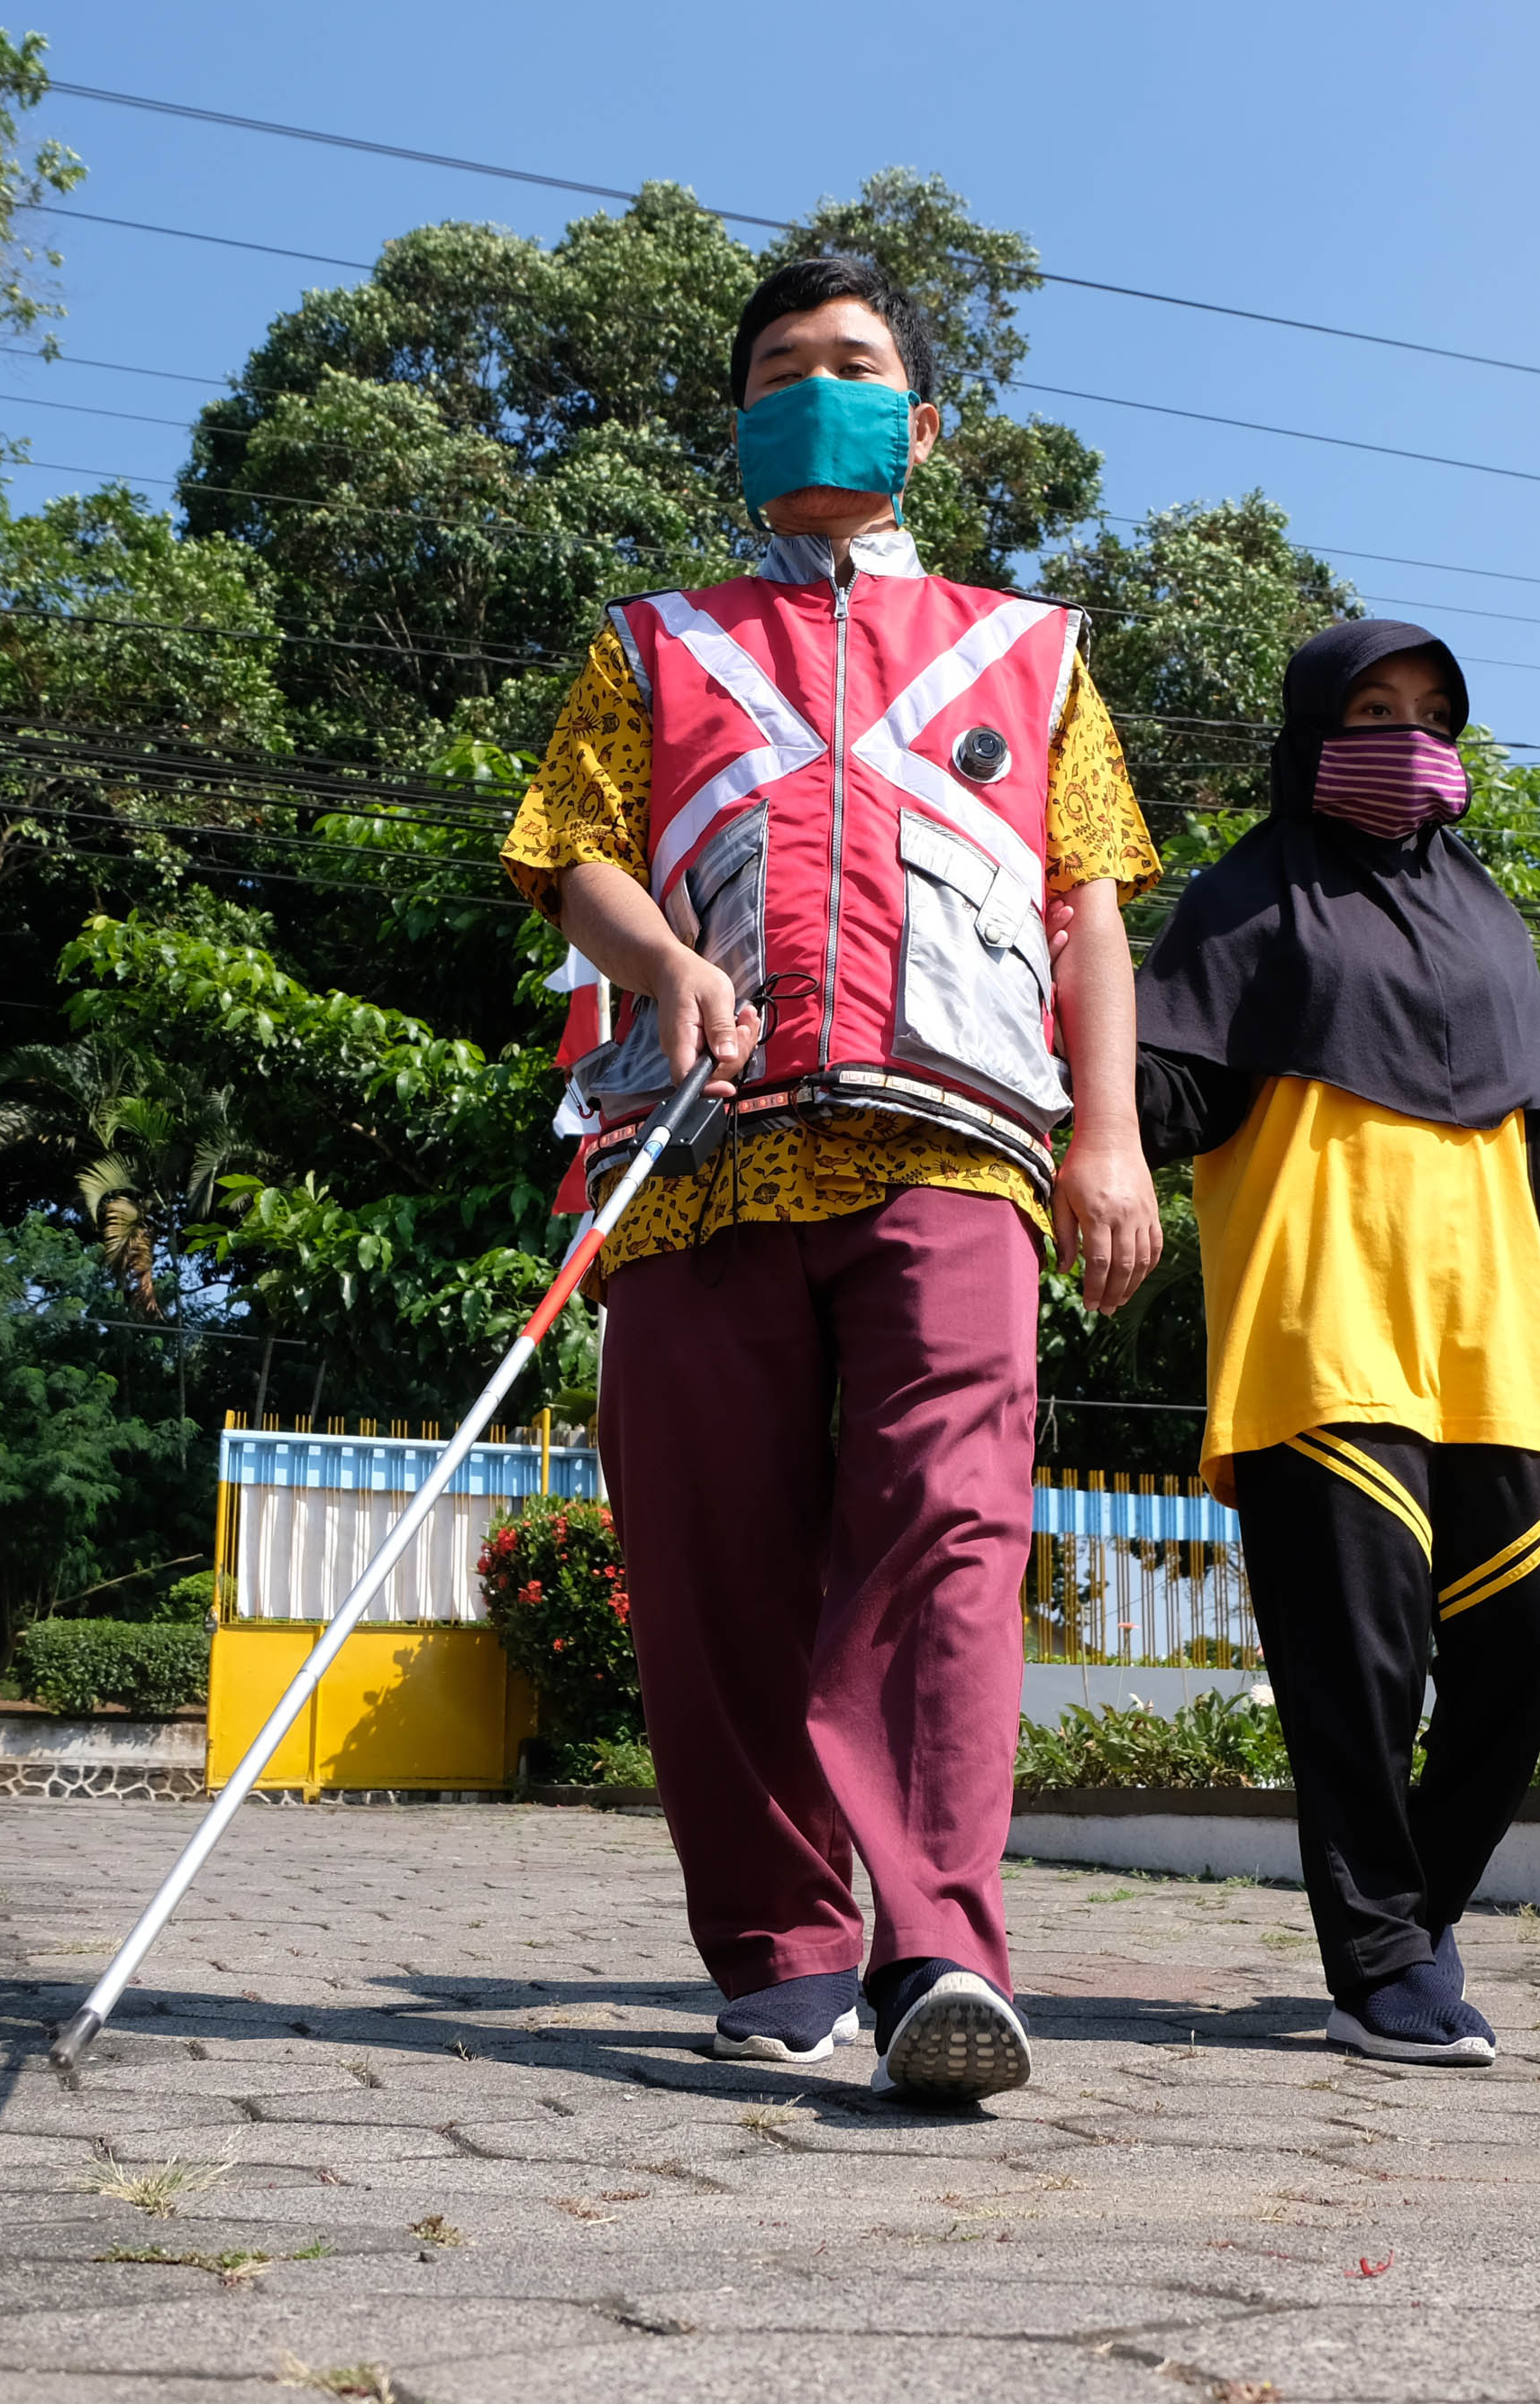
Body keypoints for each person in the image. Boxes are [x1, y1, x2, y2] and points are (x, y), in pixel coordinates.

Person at [499, 256, 1162, 2105]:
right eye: (780, 368)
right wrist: (662, 965)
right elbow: (572, 860)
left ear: (920, 421)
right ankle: (779, 1935)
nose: (816, 388)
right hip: (700, 1151)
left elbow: (1086, 908)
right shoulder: (652, 643)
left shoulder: (1030, 652)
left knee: (948, 1534)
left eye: (852, 365)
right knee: (708, 1558)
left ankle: (938, 1935)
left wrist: (1105, 1137)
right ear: (738, 424)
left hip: (953, 1148)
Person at [1132, 620, 1540, 2065]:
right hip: (1324, 1312)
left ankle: (1407, 1909)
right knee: (1358, 1668)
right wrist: (1070, 1038)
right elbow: (1173, 1094)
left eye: (1432, 712)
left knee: (1521, 1667)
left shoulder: (1492, 918)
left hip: (1504, 1336)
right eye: (1371, 707)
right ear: (1307, 729)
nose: (1407, 737)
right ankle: (1383, 1964)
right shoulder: (1244, 896)